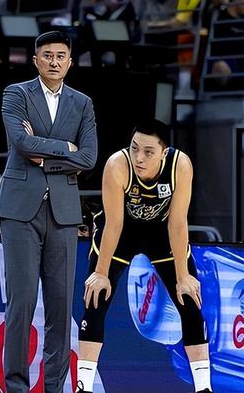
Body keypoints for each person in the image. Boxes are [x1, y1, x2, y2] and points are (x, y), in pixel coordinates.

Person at [0, 30, 97, 393]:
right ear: (36, 60)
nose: (54, 62)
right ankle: (17, 386)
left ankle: (54, 386)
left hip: (64, 212)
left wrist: (46, 155)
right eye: (48, 55)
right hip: (20, 209)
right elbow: (21, 143)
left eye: (61, 56)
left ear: (70, 62)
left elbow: (89, 157)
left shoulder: (82, 102)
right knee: (21, 303)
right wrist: (65, 148)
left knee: (61, 307)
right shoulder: (16, 93)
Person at [77, 119, 210, 393]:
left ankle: (204, 387)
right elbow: (114, 223)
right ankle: (83, 386)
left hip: (162, 232)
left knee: (189, 300)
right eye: (134, 148)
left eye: (148, 152)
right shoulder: (117, 165)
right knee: (95, 297)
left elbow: (178, 223)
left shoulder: (180, 165)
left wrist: (183, 276)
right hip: (121, 232)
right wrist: (100, 273)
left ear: (164, 152)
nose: (139, 158)